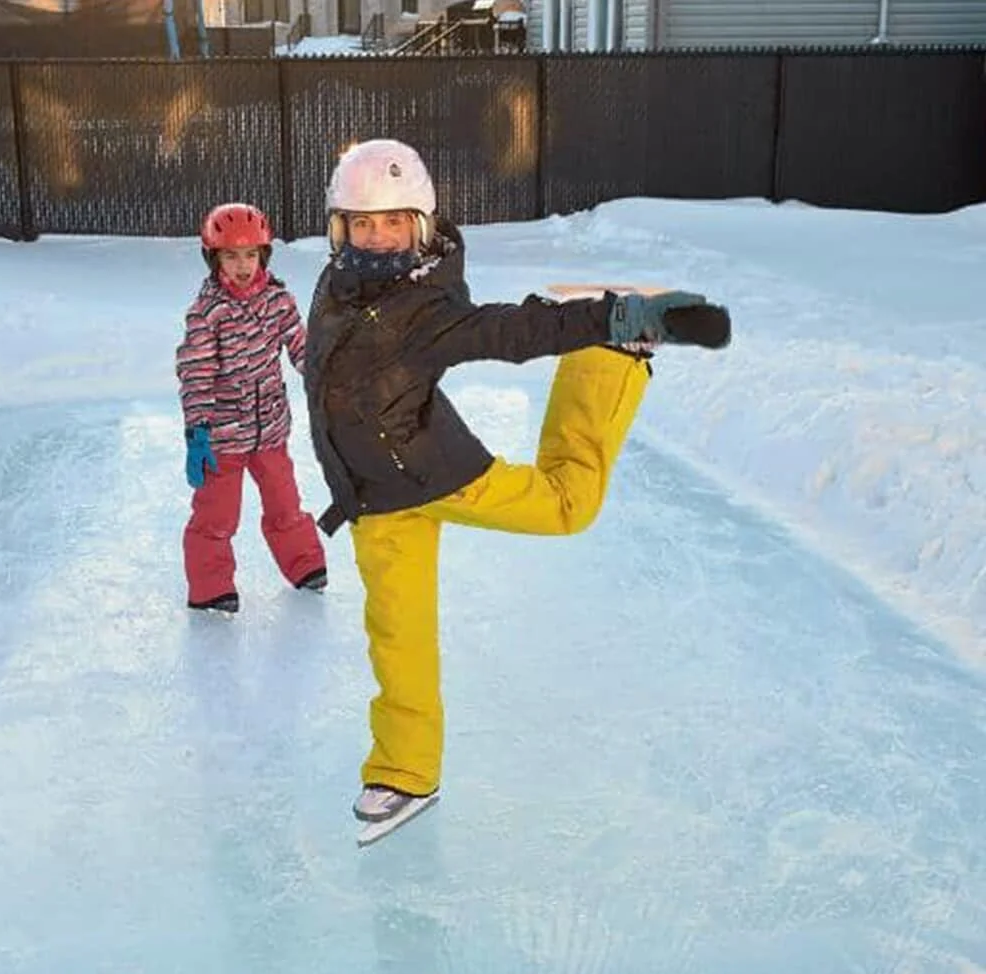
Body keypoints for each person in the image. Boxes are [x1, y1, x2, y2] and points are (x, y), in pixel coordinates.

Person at [303, 139, 728, 831]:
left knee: (567, 507)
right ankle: (405, 773)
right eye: (361, 222)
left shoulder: (428, 311)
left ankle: (612, 361)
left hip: (437, 475)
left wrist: (624, 315)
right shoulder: (337, 284)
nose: (375, 236)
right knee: (397, 641)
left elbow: (519, 329)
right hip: (374, 499)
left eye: (392, 223)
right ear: (339, 227)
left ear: (421, 227)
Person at [177, 202, 327, 613]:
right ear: (214, 259)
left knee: (285, 503)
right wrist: (198, 429)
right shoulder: (208, 312)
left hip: (271, 431)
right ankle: (210, 587)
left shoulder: (277, 300)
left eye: (250, 255)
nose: (242, 266)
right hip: (223, 438)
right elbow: (196, 372)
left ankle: (305, 565)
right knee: (217, 515)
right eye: (230, 256)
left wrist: (325, 380)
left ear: (263, 255)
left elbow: (301, 347)